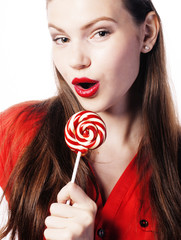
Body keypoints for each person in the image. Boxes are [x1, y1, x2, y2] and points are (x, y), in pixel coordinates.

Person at [0, 0, 180, 239]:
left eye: (100, 33)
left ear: (147, 33)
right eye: (61, 39)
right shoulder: (18, 130)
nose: (76, 60)